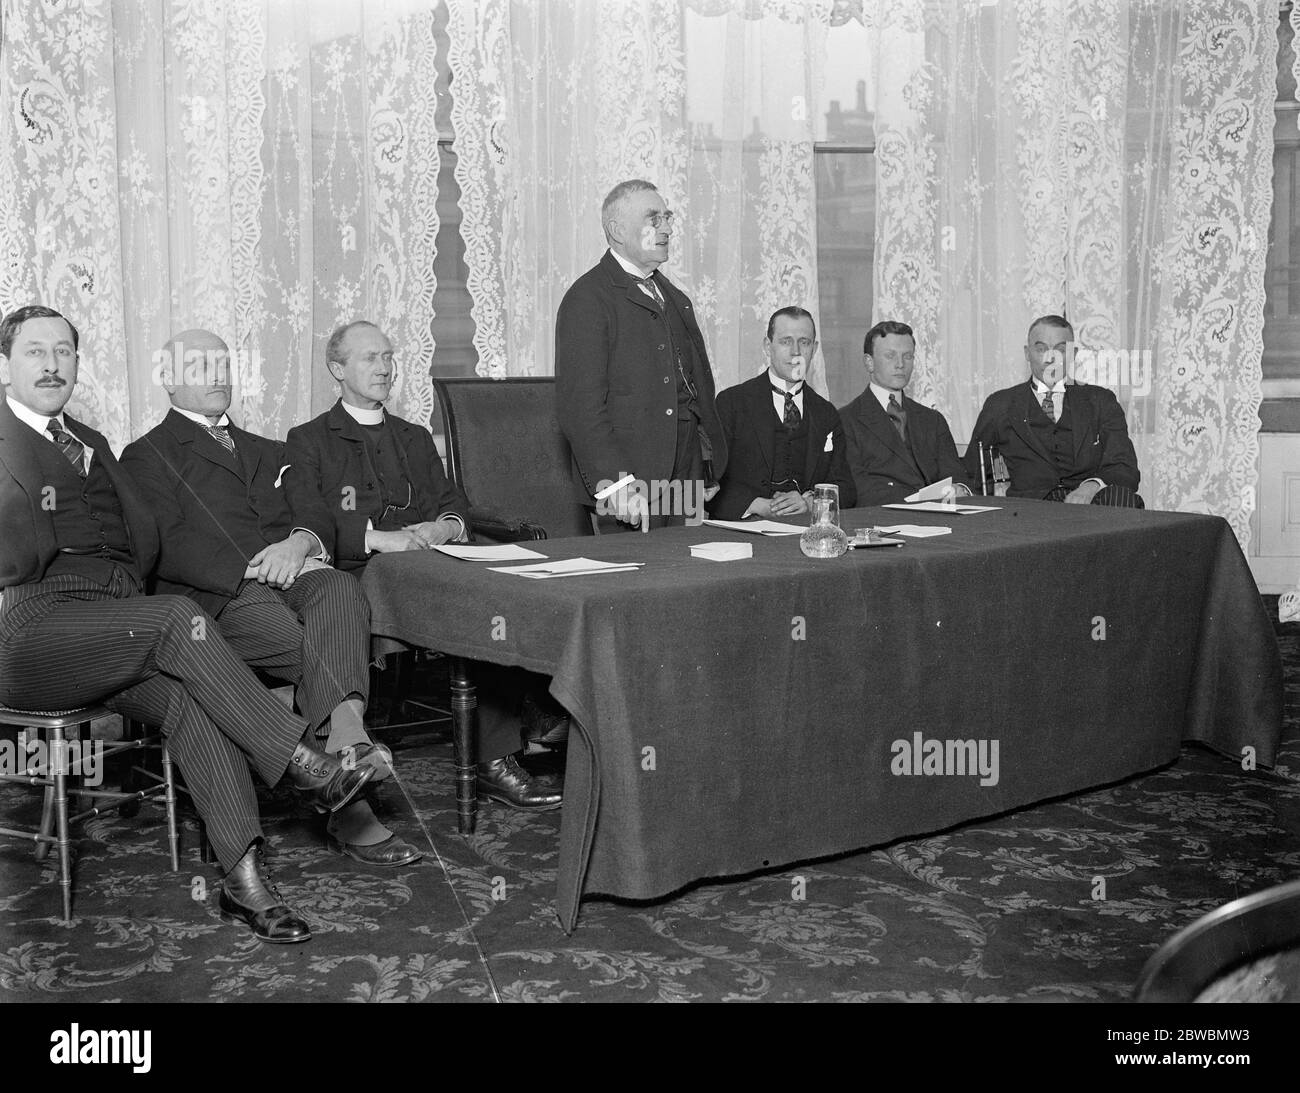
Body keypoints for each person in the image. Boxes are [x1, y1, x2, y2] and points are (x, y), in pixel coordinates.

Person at [0, 304, 370, 943]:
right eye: (35, 351)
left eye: (64, 351)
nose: (52, 363)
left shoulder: (91, 444)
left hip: (110, 625)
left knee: (192, 699)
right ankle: (304, 761)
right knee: (180, 614)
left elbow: (140, 541)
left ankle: (243, 880)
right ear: (5, 365)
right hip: (28, 630)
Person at [119, 328, 421, 867]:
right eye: (197, 366)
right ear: (167, 379)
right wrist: (254, 569)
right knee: (310, 642)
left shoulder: (268, 449)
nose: (216, 375)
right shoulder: (145, 455)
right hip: (217, 600)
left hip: (292, 576)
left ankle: (344, 741)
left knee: (339, 585)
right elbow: (168, 543)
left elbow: (315, 510)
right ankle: (352, 804)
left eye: (222, 363)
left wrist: (300, 541)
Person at [282, 320, 564, 810]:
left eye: (389, 357)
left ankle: (525, 726)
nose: (385, 367)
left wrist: (444, 527)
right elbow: (310, 520)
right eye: (370, 358)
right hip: (366, 575)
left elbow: (453, 501)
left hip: (434, 564)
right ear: (337, 368)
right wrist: (378, 539)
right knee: (475, 599)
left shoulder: (411, 436)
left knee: (504, 587)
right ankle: (505, 747)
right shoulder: (309, 440)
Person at [555, 178, 728, 530]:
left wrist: (707, 466)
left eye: (667, 218)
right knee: (635, 581)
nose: (666, 228)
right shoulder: (587, 299)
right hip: (628, 489)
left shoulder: (674, 297)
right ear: (617, 230)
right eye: (654, 219)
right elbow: (581, 408)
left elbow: (695, 391)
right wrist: (616, 483)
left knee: (688, 577)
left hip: (686, 480)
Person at [964, 314, 1142, 506]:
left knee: (1124, 500)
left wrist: (1091, 486)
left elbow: (1125, 467)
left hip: (1092, 506)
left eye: (1060, 350)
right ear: (1027, 353)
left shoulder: (1100, 401)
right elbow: (972, 473)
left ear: (1073, 355)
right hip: (1032, 512)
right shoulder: (1001, 404)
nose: (1050, 358)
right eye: (1041, 349)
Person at [710, 306, 855, 520]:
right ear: (768, 347)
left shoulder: (826, 414)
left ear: (813, 349)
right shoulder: (732, 403)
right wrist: (757, 505)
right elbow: (710, 482)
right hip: (745, 533)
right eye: (786, 341)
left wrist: (810, 501)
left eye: (804, 342)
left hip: (805, 532)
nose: (796, 352)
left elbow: (847, 488)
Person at [839, 320, 970, 505]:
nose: (900, 364)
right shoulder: (846, 421)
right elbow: (858, 489)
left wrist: (960, 489)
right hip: (882, 522)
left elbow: (956, 476)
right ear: (869, 363)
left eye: (907, 356)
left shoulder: (933, 420)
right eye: (890, 356)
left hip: (939, 520)